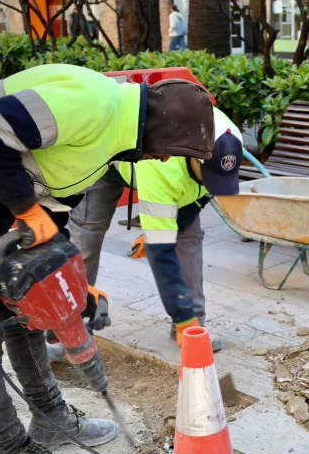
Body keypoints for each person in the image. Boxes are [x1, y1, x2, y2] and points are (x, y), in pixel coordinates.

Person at [0, 64, 215, 454]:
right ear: (156, 127)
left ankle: (50, 418)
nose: (162, 160)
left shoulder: (113, 140)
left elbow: (54, 208)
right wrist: (27, 213)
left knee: (31, 311)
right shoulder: (91, 104)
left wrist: (67, 284)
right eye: (167, 150)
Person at [64, 107, 243, 354]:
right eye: (208, 176)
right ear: (196, 156)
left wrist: (168, 227)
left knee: (189, 238)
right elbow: (162, 254)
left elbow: (202, 196)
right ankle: (68, 330)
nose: (212, 184)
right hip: (108, 156)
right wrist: (156, 233)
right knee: (87, 234)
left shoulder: (230, 141)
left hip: (168, 172)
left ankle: (192, 329)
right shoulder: (164, 164)